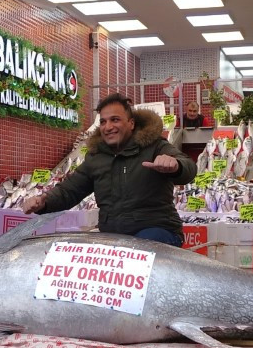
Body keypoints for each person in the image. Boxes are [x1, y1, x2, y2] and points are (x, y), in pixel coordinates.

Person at [22, 93, 197, 246]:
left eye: (115, 120)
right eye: (103, 121)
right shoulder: (96, 157)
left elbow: (189, 167)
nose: (108, 127)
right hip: (114, 235)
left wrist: (176, 165)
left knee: (136, 251)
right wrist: (44, 201)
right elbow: (70, 190)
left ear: (131, 123)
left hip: (159, 231)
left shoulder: (155, 145)